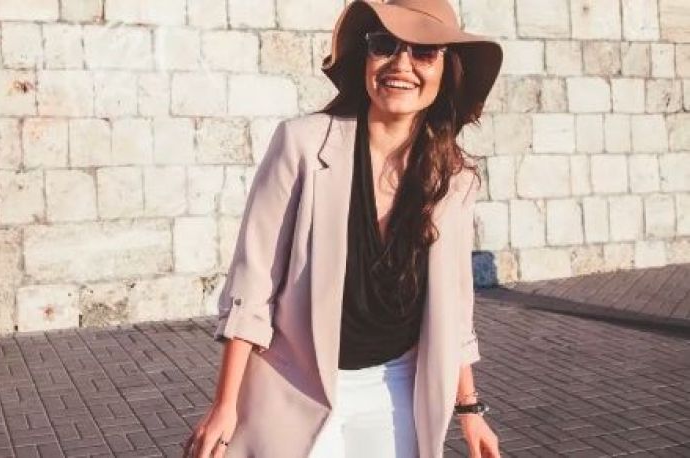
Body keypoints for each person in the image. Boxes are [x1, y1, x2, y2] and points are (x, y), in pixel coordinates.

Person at [183, 0, 503, 457]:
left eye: (423, 52)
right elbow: (253, 282)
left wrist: (469, 409)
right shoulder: (302, 144)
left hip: (397, 387)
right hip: (296, 381)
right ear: (365, 58)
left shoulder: (452, 178)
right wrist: (225, 404)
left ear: (445, 70)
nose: (401, 65)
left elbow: (454, 303)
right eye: (385, 45)